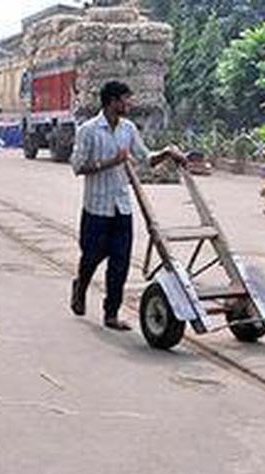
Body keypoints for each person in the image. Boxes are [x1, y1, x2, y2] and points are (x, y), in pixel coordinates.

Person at [69, 80, 186, 331]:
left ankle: (111, 313)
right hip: (97, 208)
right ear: (112, 102)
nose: (129, 104)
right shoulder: (88, 130)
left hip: (122, 208)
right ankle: (80, 285)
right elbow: (78, 167)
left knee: (120, 261)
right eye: (125, 99)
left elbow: (146, 159)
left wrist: (167, 153)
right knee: (91, 256)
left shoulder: (128, 129)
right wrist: (111, 162)